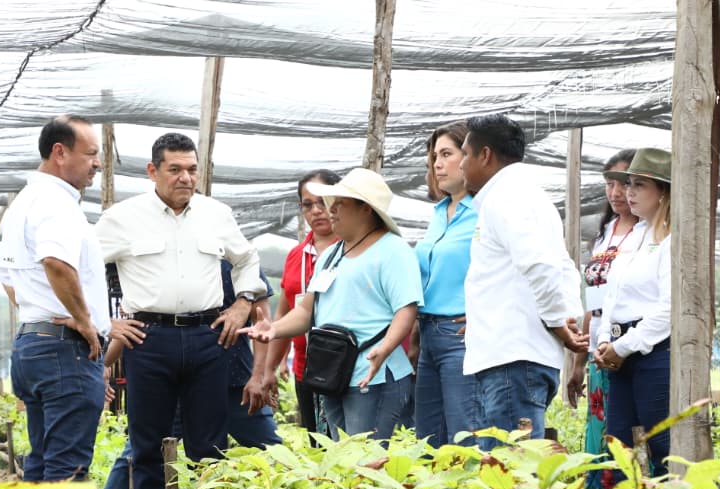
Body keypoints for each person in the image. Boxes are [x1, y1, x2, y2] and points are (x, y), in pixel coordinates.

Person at [97, 132, 263, 489]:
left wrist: (242, 304)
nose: (185, 177)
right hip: (148, 340)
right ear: (152, 171)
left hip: (210, 336)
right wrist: (105, 323)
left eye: (191, 169)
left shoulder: (216, 214)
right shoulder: (122, 218)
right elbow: (84, 271)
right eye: (175, 169)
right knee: (147, 446)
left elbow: (247, 259)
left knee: (210, 446)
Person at [84, 263, 279, 489]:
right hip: (178, 384)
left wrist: (259, 374)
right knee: (140, 453)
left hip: (234, 382)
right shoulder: (166, 265)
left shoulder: (239, 262)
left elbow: (261, 318)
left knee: (268, 453)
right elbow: (142, 328)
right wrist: (106, 365)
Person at [0, 114, 109, 489]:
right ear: (59, 153)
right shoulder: (58, 203)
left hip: (33, 343)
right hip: (63, 350)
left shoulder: (24, 202)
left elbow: (9, 279)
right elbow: (57, 264)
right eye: (91, 154)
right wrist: (82, 319)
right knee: (68, 466)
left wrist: (37, 312)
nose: (97, 164)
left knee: (43, 461)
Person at [245, 168, 421, 441]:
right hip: (334, 375)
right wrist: (274, 329)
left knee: (366, 461)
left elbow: (406, 309)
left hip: (372, 376)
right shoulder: (332, 255)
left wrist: (385, 348)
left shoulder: (394, 251)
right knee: (340, 460)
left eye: (340, 204)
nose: (331, 211)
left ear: (366, 210)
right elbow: (306, 310)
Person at [458, 114, 587, 447]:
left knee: (510, 473)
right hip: (515, 357)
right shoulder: (523, 195)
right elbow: (562, 268)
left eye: (465, 155)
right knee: (513, 467)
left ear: (484, 155)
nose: (460, 165)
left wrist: (559, 323)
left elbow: (541, 266)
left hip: (512, 361)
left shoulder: (507, 197)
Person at [592, 149, 673, 475]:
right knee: (620, 445)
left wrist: (623, 347)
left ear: (663, 191)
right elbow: (612, 295)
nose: (629, 192)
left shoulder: (672, 239)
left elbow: (669, 309)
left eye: (640, 185)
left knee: (661, 442)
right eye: (629, 185)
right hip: (617, 350)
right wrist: (603, 340)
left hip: (652, 352)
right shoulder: (635, 235)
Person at [567, 150, 642, 488]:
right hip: (599, 348)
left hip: (630, 346)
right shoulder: (604, 233)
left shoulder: (648, 234)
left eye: (624, 183)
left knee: (627, 431)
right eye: (609, 183)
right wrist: (579, 362)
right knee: (599, 427)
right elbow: (592, 302)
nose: (615, 192)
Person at [413, 123, 483, 446]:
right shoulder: (439, 212)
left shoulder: (483, 211)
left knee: (464, 435)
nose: (437, 164)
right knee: (428, 439)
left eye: (446, 154)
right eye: (434, 156)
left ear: (468, 157)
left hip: (460, 336)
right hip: (428, 334)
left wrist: (485, 312)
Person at [271, 170, 341, 435]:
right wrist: (270, 368)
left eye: (323, 201)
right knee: (317, 447)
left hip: (348, 371)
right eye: (308, 204)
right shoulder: (296, 256)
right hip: (306, 370)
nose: (316, 211)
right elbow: (284, 314)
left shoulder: (355, 249)